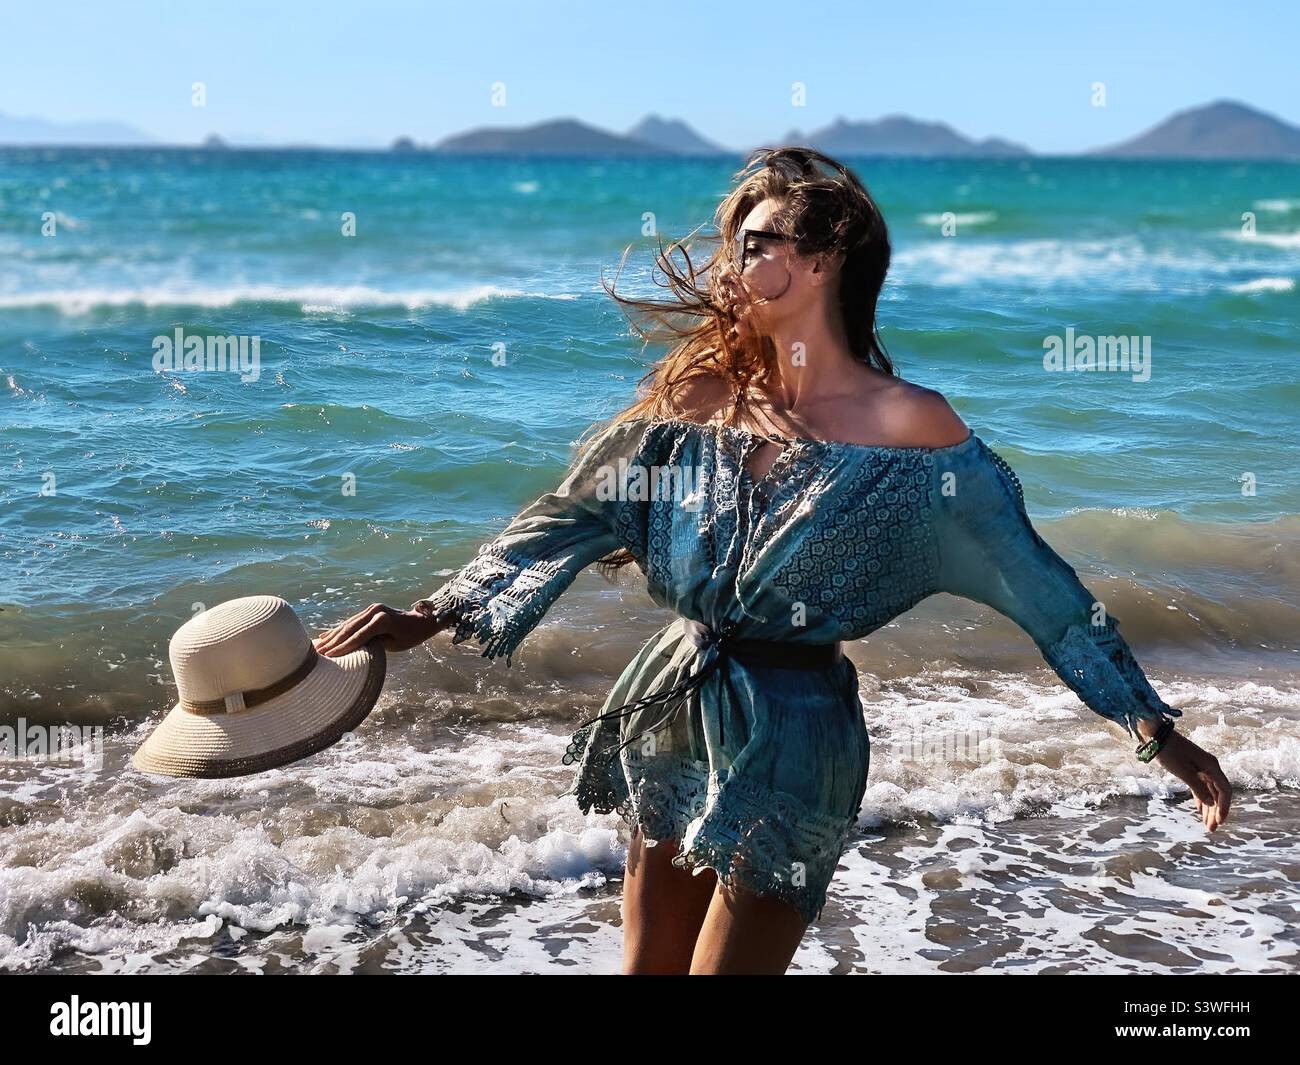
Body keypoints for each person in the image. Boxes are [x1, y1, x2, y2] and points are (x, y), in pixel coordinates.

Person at [315, 147, 1232, 975]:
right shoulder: (699, 396)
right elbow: (568, 515)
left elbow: (1040, 587)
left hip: (799, 728)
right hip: (670, 697)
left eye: (760, 243)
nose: (737, 264)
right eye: (739, 244)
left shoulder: (911, 424)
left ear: (825, 258)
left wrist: (1151, 726)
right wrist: (435, 612)